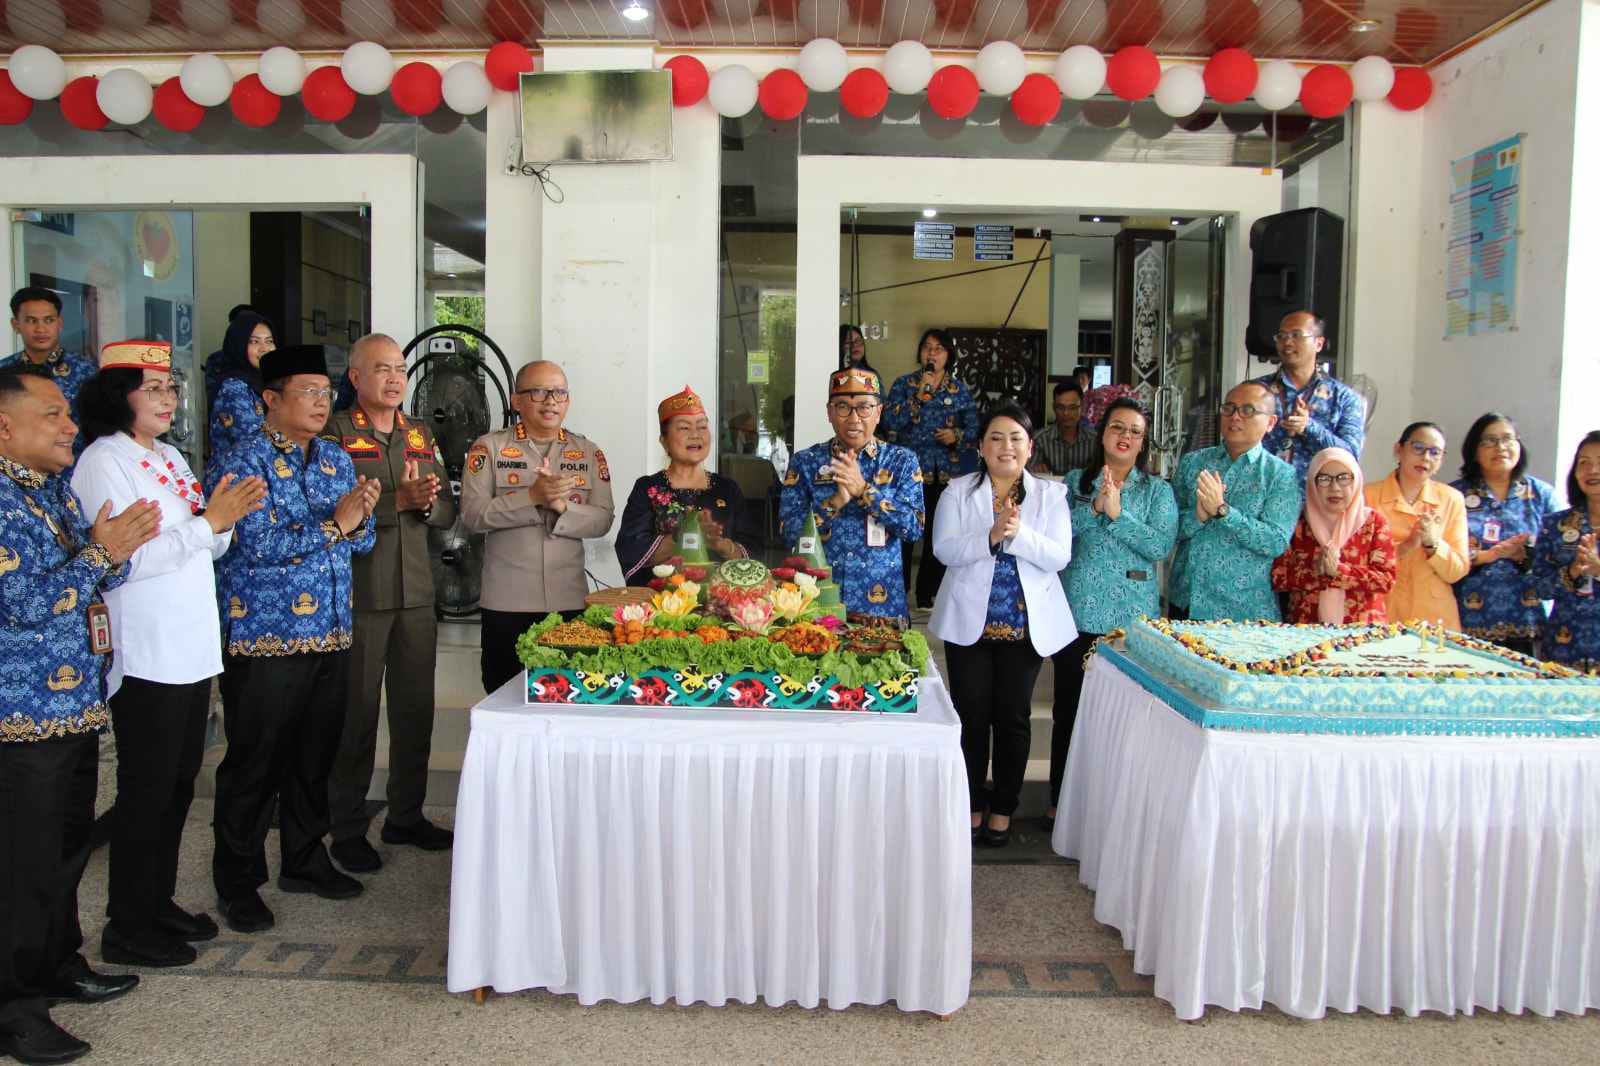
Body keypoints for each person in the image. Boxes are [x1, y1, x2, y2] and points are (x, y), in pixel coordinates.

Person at [69, 341, 267, 968]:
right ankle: (127, 923)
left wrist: (223, 520)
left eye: (170, 387)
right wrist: (209, 524)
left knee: (178, 787)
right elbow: (128, 558)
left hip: (191, 646)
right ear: (117, 393)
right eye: (150, 387)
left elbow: (203, 542)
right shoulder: (105, 461)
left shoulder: (171, 457)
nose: (166, 397)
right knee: (146, 791)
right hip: (147, 650)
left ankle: (156, 903)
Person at [0, 367, 161, 1064]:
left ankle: (58, 963)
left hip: (71, 705)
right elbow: (26, 604)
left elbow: (96, 573)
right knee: (20, 866)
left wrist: (109, 550)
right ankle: (13, 1008)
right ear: (5, 426)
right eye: (54, 414)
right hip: (21, 716)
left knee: (63, 851)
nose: (71, 426)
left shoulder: (48, 492)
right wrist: (102, 551)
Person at [207, 344, 380, 935]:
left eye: (324, 392)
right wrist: (338, 524)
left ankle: (305, 860)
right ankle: (238, 882)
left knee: (314, 758)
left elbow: (360, 543)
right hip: (266, 639)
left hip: (330, 631)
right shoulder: (243, 461)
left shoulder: (333, 457)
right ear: (270, 400)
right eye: (305, 392)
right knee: (255, 763)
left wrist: (358, 517)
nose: (318, 402)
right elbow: (258, 546)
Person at [324, 335, 458, 875]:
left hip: (417, 595)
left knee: (414, 711)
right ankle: (348, 827)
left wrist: (426, 506)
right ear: (356, 377)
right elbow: (329, 512)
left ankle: (406, 815)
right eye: (382, 369)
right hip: (362, 593)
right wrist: (394, 504)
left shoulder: (420, 432)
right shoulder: (335, 433)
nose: (394, 378)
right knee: (355, 716)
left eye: (400, 368)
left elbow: (447, 509)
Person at [929, 404, 1073, 848]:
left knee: (1013, 718)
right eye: (995, 437)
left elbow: (1058, 557)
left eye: (1015, 438)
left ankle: (1005, 807)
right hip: (969, 623)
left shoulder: (1051, 496)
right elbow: (944, 550)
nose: (1005, 446)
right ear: (980, 447)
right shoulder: (957, 491)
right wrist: (991, 535)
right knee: (971, 717)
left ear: (1030, 448)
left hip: (1025, 626)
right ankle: (971, 801)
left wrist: (1017, 533)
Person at [1052, 398, 1175, 826]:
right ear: (1102, 433)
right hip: (1079, 609)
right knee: (1071, 708)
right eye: (1117, 427)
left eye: (1135, 431)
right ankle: (1061, 802)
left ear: (1142, 442)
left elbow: (1160, 546)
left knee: (1124, 714)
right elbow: (1057, 534)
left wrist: (1119, 516)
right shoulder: (1074, 481)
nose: (1125, 436)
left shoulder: (1157, 490)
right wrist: (1095, 508)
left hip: (1131, 619)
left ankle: (1116, 809)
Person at [461, 360, 615, 693]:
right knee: (505, 696)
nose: (550, 401)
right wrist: (531, 498)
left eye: (559, 393)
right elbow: (472, 515)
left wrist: (562, 508)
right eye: (539, 392)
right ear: (516, 401)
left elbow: (603, 518)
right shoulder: (488, 448)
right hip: (507, 604)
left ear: (568, 401)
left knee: (569, 697)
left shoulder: (588, 453)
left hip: (569, 601)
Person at [780, 367, 924, 624]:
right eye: (843, 407)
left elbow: (913, 528)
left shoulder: (902, 461)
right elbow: (790, 534)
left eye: (864, 407)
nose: (854, 418)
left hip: (882, 609)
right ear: (829, 412)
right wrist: (834, 502)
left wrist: (863, 491)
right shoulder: (805, 462)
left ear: (879, 412)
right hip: (816, 606)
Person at [1169, 382, 1299, 621]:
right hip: (1188, 600)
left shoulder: (1280, 475)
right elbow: (1168, 529)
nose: (1235, 416)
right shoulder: (1193, 463)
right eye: (1228, 408)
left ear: (1270, 422)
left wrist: (1223, 511)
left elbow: (1275, 541)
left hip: (1244, 611)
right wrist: (1199, 516)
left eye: (1248, 410)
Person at [616, 386, 758, 585]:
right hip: (662, 605)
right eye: (684, 427)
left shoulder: (727, 489)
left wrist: (720, 544)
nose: (695, 434)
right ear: (664, 441)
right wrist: (683, 535)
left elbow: (754, 554)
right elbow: (631, 551)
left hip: (721, 603)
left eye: (702, 426)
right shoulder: (647, 488)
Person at [882, 328, 978, 611]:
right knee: (904, 532)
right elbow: (889, 422)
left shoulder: (958, 389)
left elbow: (975, 428)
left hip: (945, 473)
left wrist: (956, 436)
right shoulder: (904, 384)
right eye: (927, 348)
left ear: (949, 355)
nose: (932, 353)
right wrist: (917, 399)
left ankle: (927, 594)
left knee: (939, 532)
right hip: (907, 473)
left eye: (938, 349)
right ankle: (899, 591)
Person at [1450, 413, 1558, 654]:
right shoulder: (1453, 495)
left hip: (1528, 621)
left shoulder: (1542, 495)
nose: (1500, 447)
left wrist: (1525, 555)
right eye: (1489, 441)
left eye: (1508, 439)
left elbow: (1560, 554)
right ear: (1474, 450)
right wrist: (1486, 555)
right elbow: (1441, 554)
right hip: (1468, 621)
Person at [1363, 421, 1470, 629]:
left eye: (1435, 452)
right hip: (1382, 609)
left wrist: (1434, 545)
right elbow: (1359, 562)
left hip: (1434, 616)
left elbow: (1457, 571)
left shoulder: (1452, 499)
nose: (1426, 458)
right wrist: (1405, 547)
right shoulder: (1368, 495)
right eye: (1418, 448)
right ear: (1398, 449)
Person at [1271, 447, 1395, 624]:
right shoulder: (1298, 522)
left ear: (1357, 480)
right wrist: (1317, 570)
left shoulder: (1374, 523)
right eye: (1324, 479)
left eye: (1344, 478)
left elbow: (1386, 580)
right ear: (1312, 483)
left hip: (1362, 631)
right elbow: (1278, 576)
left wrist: (1340, 572)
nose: (1334, 487)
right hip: (1306, 630)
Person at [1251, 310, 1366, 486]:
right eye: (1281, 336)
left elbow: (1350, 456)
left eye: (1296, 335)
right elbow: (1236, 445)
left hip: (1318, 503)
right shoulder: (1255, 391)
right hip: (1263, 498)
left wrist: (1309, 428)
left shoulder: (1344, 397)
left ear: (1319, 343)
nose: (1287, 342)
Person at [1531, 431, 1600, 673]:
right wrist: (1571, 572)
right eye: (1584, 462)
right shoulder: (1556, 524)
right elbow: (1538, 587)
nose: (1593, 470)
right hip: (1564, 646)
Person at [5, 287, 97, 454]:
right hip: (16, 472)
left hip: (71, 470)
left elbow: (100, 428)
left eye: (48, 320)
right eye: (31, 321)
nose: (41, 329)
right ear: (16, 325)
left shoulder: (86, 371)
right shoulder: (4, 372)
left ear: (59, 323)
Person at [204, 311, 275, 464]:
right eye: (254, 342)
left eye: (269, 341)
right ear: (239, 345)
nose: (264, 348)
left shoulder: (267, 383)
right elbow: (255, 439)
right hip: (237, 481)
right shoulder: (232, 388)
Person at [1029, 381, 1095, 477]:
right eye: (1060, 407)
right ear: (1053, 408)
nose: (1066, 413)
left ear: (1082, 407)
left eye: (1072, 408)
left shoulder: (1094, 440)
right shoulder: (1040, 438)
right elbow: (1031, 473)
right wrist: (1036, 470)